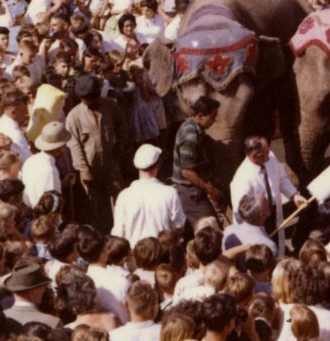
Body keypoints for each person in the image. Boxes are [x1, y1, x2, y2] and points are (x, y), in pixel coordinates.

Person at [230, 136, 306, 254]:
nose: (269, 155)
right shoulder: (242, 180)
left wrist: (294, 195)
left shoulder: (270, 157)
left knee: (279, 248)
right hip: (258, 223)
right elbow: (239, 215)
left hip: (274, 213)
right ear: (255, 156)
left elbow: (282, 179)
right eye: (265, 153)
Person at [66, 74, 123, 229]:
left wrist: (119, 149)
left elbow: (122, 126)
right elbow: (74, 145)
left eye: (92, 98)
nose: (89, 102)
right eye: (85, 99)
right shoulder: (74, 117)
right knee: (95, 204)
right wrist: (84, 169)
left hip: (111, 164)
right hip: (90, 167)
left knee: (118, 197)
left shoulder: (111, 106)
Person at [111, 144, 186, 246]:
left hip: (134, 253)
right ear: (158, 165)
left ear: (136, 166)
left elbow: (119, 233)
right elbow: (179, 226)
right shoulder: (170, 193)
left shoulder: (124, 196)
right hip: (163, 252)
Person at [172, 96, 224, 229]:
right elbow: (186, 171)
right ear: (200, 116)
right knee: (212, 227)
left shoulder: (193, 127)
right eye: (212, 117)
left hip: (192, 189)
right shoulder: (191, 136)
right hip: (189, 191)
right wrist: (210, 190)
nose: (214, 120)